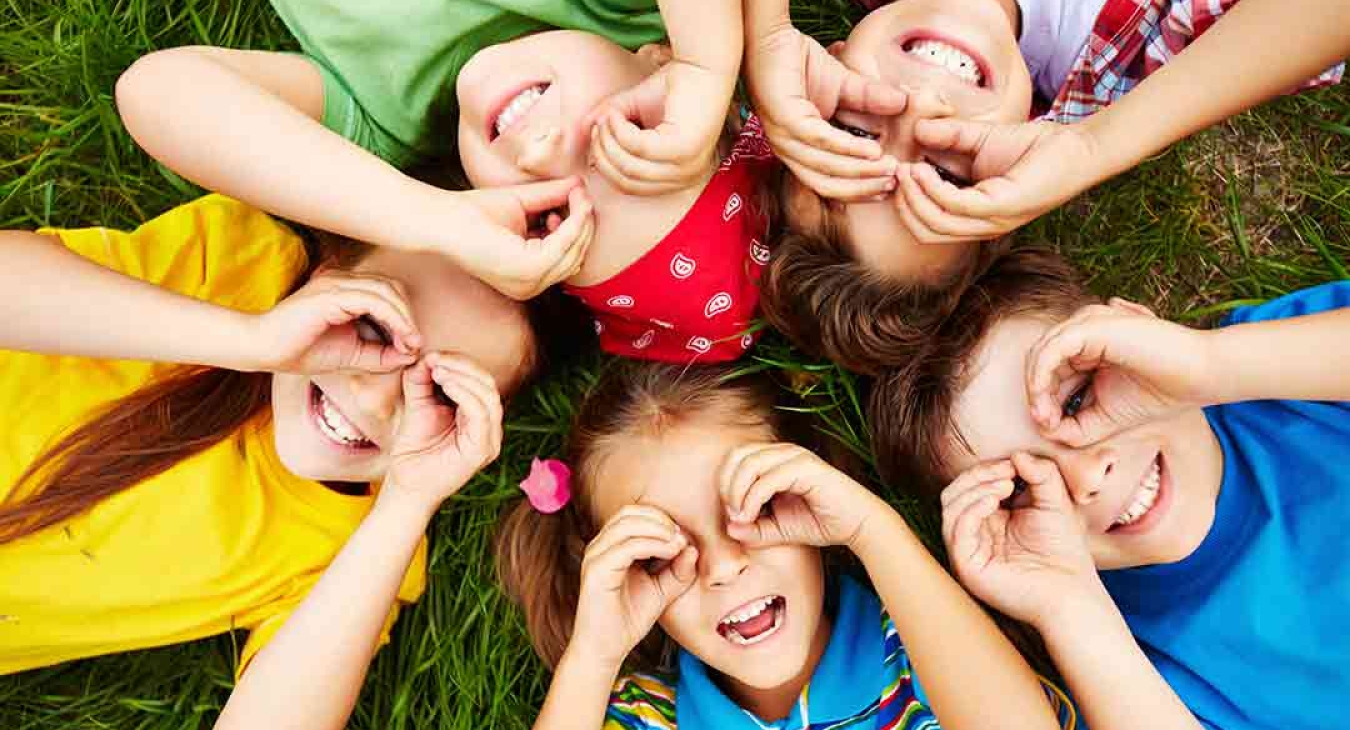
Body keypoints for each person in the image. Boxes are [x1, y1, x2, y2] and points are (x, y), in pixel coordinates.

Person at [0, 194, 575, 676]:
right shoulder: (233, 263)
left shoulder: (356, 549)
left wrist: (409, 501)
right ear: (327, 275)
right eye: (374, 325)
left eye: (442, 392)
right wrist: (249, 340)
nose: (375, 397)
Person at [115, 0, 778, 363]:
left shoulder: (384, 119)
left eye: (549, 213)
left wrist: (435, 220)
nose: (547, 152)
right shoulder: (619, 12)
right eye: (623, 137)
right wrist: (706, 65)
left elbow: (158, 91)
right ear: (654, 58)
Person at [869, 245, 1350, 728]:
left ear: (1135, 335)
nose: (1085, 479)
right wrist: (1067, 605)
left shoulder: (1279, 374)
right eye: (1021, 487)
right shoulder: (1126, 670)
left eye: (1077, 401)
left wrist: (1207, 365)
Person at [744, 0, 1346, 373]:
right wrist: (1093, 146)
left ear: (823, 67)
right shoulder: (1158, 59)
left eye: (851, 130)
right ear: (1011, 179)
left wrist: (762, 31)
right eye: (944, 173)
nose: (917, 108)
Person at [494, 362, 1078, 730]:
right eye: (663, 552)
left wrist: (871, 530)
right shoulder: (647, 716)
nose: (723, 567)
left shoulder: (924, 646)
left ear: (810, 496)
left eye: (753, 509)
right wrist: (593, 654)